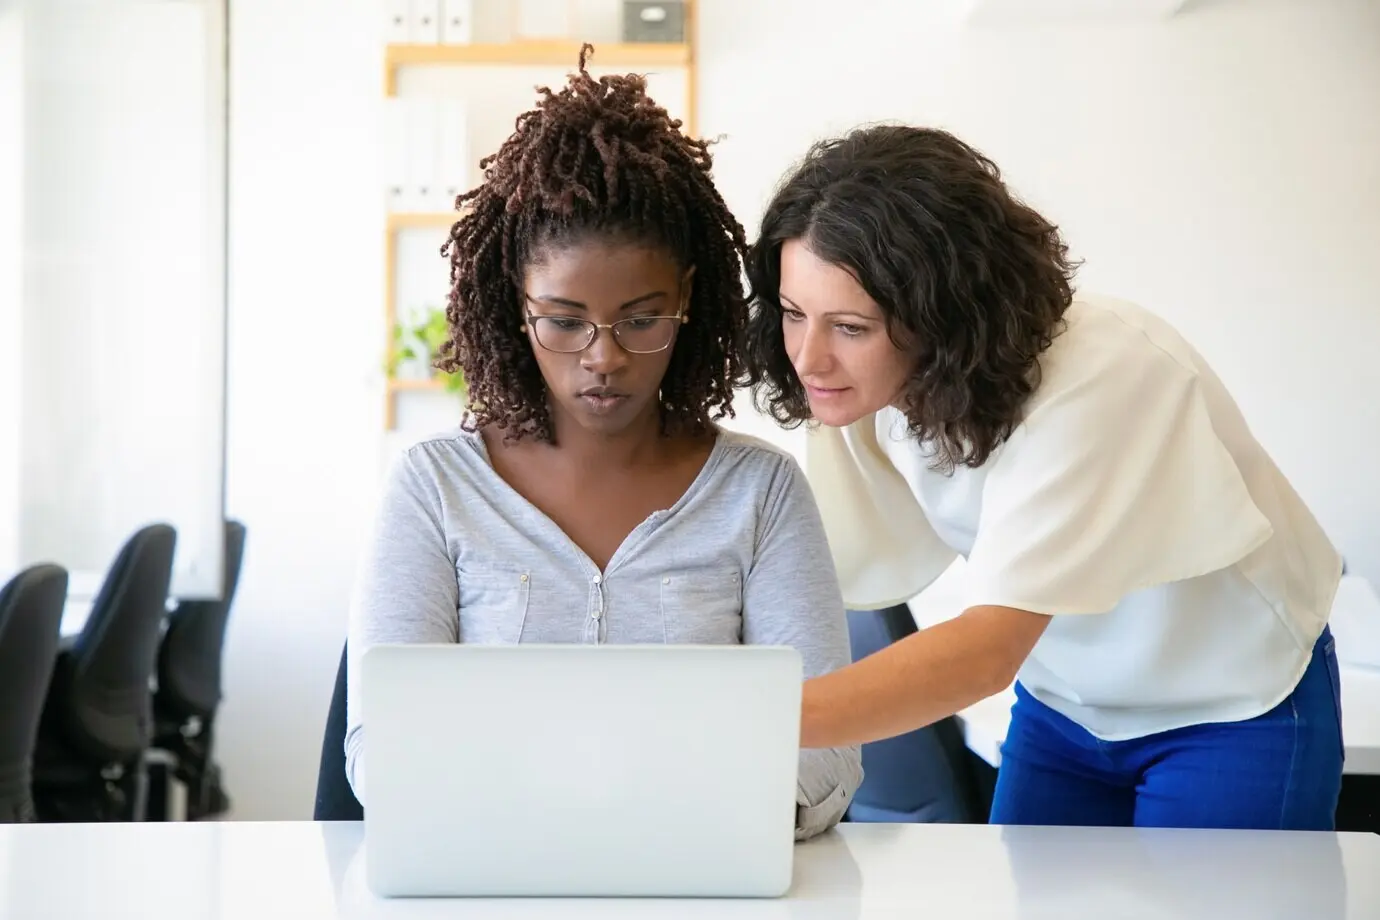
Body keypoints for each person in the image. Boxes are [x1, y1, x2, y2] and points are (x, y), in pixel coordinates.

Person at [741, 124, 1344, 830]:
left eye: (850, 326)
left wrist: (745, 722)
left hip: (1230, 704)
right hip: (1065, 706)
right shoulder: (864, 388)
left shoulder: (1102, 374)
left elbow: (986, 650)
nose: (808, 358)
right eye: (791, 314)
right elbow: (837, 573)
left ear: (949, 313)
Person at [345, 46, 860, 840]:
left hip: (700, 878)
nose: (604, 357)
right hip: (493, 880)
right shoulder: (433, 488)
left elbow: (825, 754)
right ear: (516, 305)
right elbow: (382, 751)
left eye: (642, 319)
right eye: (564, 320)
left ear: (687, 299)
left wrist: (644, 818)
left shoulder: (762, 494)